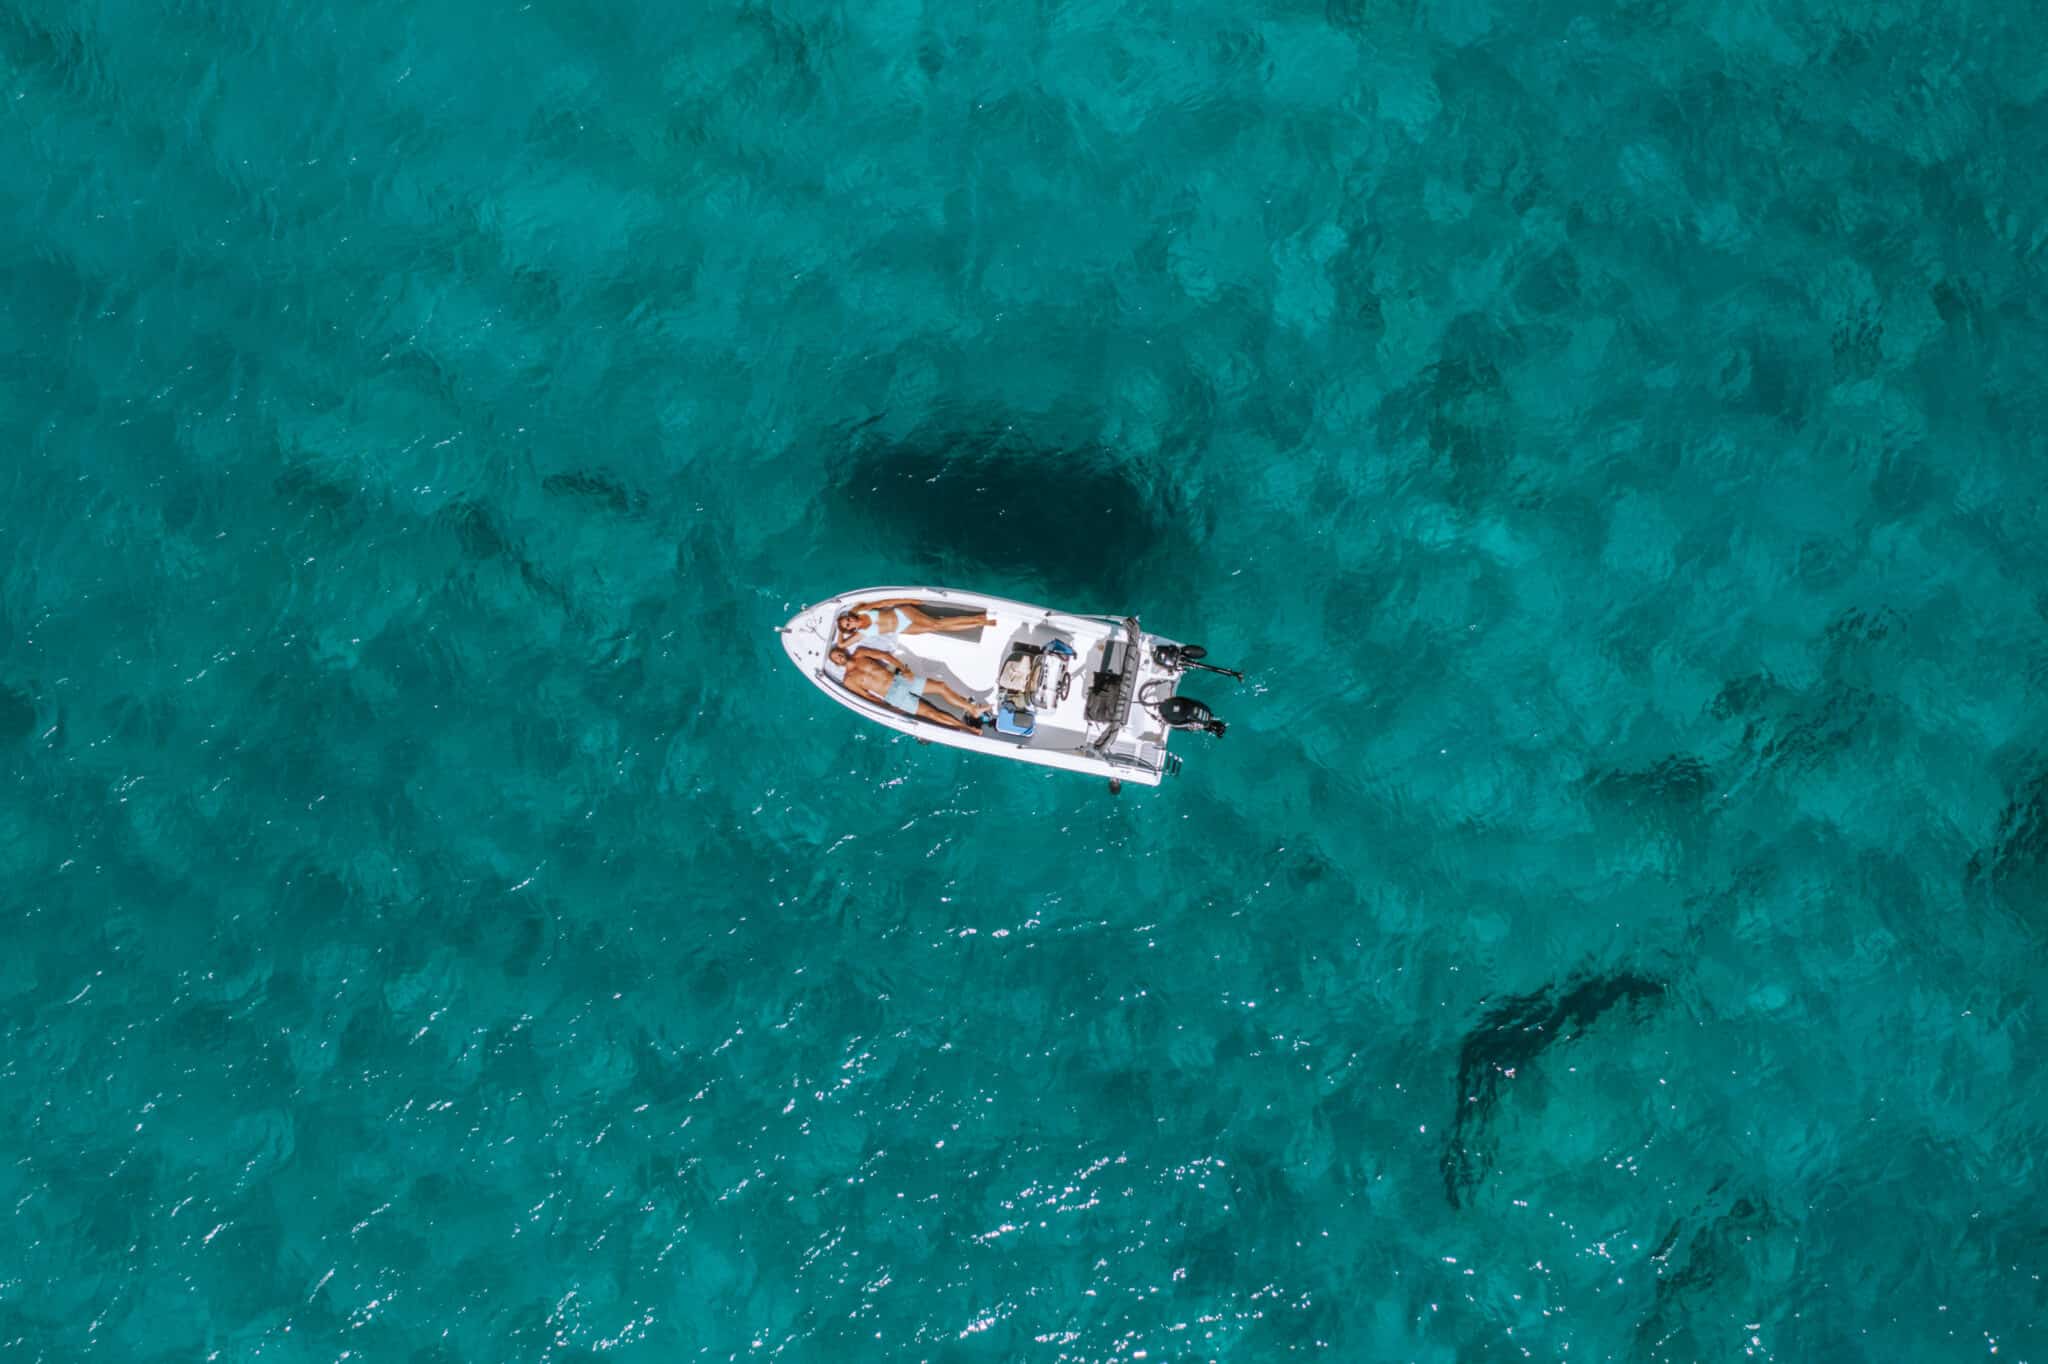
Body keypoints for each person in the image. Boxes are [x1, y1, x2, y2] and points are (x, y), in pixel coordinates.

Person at [830, 645, 991, 733]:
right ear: (837, 663)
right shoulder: (849, 681)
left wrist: (903, 668)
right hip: (893, 696)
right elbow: (868, 698)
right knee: (932, 714)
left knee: (940, 686)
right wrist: (889, 708)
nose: (839, 656)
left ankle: (972, 708)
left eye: (838, 653)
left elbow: (885, 656)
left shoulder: (860, 653)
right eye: (836, 658)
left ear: (843, 651)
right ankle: (967, 728)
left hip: (901, 680)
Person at [836, 598, 995, 649]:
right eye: (848, 625)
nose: (850, 622)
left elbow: (884, 602)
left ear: (850, 615)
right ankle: (980, 621)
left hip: (903, 612)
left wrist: (908, 600)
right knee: (940, 626)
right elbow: (842, 645)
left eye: (848, 619)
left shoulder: (860, 610)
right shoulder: (861, 634)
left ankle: (981, 619)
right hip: (904, 628)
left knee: (936, 625)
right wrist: (840, 631)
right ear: (850, 630)